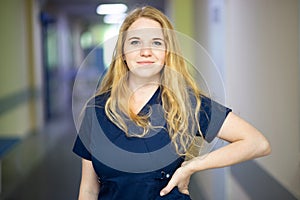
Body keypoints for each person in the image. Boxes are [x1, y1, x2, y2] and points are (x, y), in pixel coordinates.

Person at [73, 6, 271, 200]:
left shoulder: (186, 103)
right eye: (135, 42)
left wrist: (193, 165)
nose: (146, 52)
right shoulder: (97, 110)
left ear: (167, 52)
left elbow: (257, 143)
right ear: (122, 53)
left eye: (157, 43)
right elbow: (89, 190)